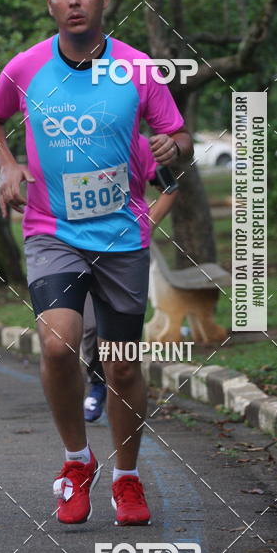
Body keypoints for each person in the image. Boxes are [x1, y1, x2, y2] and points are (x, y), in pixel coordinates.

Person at [0, 0, 192, 526]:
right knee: (57, 344)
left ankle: (126, 477)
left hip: (121, 236)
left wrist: (172, 147)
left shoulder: (138, 69)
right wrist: (7, 165)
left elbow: (178, 138)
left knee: (121, 365)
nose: (74, 1)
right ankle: (77, 462)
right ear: (50, 4)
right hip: (53, 232)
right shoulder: (26, 68)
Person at [82, 145, 178, 423]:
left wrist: (146, 224)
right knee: (89, 327)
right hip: (76, 251)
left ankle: (122, 389)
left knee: (120, 340)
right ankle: (97, 383)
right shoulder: (67, 146)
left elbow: (170, 187)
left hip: (122, 254)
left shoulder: (138, 144)